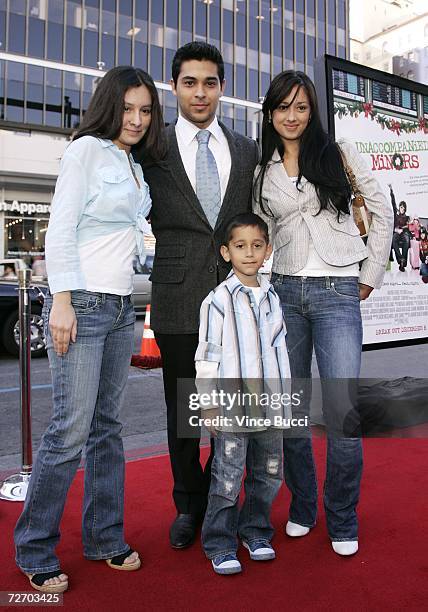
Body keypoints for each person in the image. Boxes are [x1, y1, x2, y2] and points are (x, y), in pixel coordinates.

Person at [14, 66, 166, 593]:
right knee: (70, 429)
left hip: (122, 306)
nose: (136, 119)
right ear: (109, 106)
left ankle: (104, 537)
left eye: (145, 111)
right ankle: (34, 544)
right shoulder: (84, 151)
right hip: (81, 303)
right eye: (127, 109)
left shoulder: (134, 166)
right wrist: (60, 301)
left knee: (108, 427)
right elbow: (61, 228)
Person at [253, 70, 393, 556]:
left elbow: (382, 208)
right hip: (285, 292)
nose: (292, 117)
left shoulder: (338, 154)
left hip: (337, 291)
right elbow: (258, 234)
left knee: (341, 413)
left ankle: (342, 515)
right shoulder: (261, 169)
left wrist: (371, 272)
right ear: (270, 113)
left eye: (301, 107)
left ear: (313, 112)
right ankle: (303, 506)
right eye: (283, 107)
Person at [142, 42, 259, 550]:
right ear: (174, 87)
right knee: (185, 411)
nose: (200, 92)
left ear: (222, 88)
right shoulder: (153, 147)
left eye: (210, 82)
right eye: (190, 82)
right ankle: (189, 503)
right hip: (177, 295)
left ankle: (223, 497)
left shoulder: (247, 148)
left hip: (235, 302)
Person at [195, 213, 290, 575]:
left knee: (268, 473)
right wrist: (208, 404)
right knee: (227, 477)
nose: (249, 253)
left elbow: (280, 351)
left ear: (267, 250)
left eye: (256, 245)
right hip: (233, 405)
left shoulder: (272, 298)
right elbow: (207, 355)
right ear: (225, 252)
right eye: (240, 246)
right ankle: (219, 542)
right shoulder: (216, 301)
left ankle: (256, 532)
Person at [392, 199, 411, 271]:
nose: (402, 209)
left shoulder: (407, 217)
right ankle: (401, 259)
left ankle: (403, 263)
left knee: (406, 239)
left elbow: (408, 227)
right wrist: (396, 230)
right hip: (396, 232)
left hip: (404, 233)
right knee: (394, 239)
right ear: (399, 207)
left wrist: (403, 228)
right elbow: (393, 226)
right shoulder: (396, 216)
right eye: (401, 207)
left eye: (404, 207)